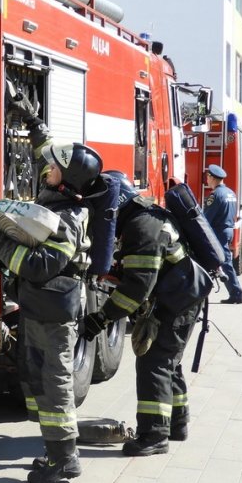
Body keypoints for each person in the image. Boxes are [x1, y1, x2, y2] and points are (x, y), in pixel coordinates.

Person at [0, 86, 101, 483]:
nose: (45, 169)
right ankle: (53, 449)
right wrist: (30, 118)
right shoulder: (55, 195)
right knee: (37, 376)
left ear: (64, 178)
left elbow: (38, 267)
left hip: (54, 311)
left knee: (55, 381)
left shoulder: (66, 217)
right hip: (40, 308)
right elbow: (46, 151)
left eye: (52, 169)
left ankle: (65, 459)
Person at [80, 172, 209, 456]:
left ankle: (153, 436)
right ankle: (178, 423)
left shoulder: (142, 228)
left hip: (177, 302)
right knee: (169, 362)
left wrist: (101, 319)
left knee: (154, 364)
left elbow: (137, 289)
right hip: (181, 295)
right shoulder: (146, 217)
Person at [203, 164, 242, 304]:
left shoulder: (215, 195)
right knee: (223, 262)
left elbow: (206, 218)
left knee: (225, 263)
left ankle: (236, 294)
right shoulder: (230, 192)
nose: (206, 180)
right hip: (228, 229)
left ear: (212, 178)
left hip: (218, 232)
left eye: (207, 177)